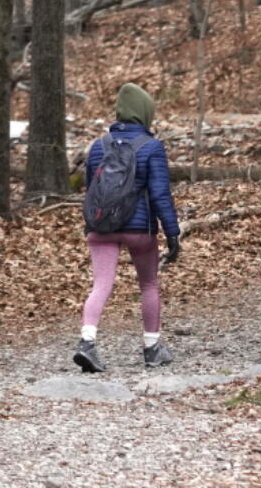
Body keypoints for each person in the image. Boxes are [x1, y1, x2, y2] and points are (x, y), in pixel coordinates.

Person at [73, 82, 181, 373]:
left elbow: (91, 189)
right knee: (148, 284)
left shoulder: (99, 146)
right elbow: (160, 194)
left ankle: (87, 342)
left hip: (101, 226)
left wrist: (91, 224)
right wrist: (172, 232)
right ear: (145, 113)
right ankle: (152, 347)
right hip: (139, 230)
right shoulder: (152, 147)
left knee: (101, 284)